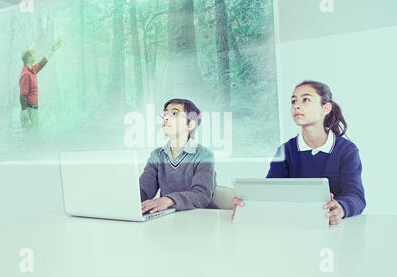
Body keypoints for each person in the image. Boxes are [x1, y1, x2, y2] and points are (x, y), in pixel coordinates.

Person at [232, 80, 366, 225]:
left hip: (332, 230)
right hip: (293, 227)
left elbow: (356, 196)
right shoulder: (285, 150)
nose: (296, 105)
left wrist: (341, 208)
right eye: (293, 101)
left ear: (325, 108)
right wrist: (249, 204)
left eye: (306, 100)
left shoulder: (346, 150)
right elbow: (271, 192)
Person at [139, 98, 217, 214]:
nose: (166, 118)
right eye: (165, 114)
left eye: (174, 114)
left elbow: (201, 195)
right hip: (169, 219)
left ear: (190, 124)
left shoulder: (204, 155)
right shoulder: (157, 156)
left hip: (200, 219)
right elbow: (143, 192)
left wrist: (169, 200)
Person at [19, 40, 62, 129]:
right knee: (29, 140)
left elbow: (42, 62)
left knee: (34, 139)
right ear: (29, 58)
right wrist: (27, 119)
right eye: (33, 52)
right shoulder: (26, 74)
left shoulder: (32, 70)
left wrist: (52, 50)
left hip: (34, 111)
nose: (35, 53)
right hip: (29, 112)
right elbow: (22, 97)